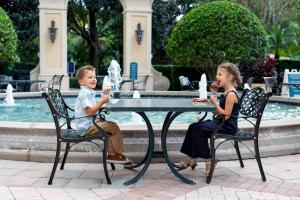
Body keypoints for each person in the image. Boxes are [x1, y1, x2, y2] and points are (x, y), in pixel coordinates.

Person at [178, 62, 242, 176]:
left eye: (220, 74)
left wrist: (215, 103)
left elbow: (226, 115)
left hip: (227, 127)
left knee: (199, 130)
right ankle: (191, 156)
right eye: (217, 74)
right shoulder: (226, 92)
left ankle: (209, 159)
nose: (217, 77)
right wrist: (206, 99)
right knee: (193, 126)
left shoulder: (231, 94)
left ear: (230, 77)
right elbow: (219, 110)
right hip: (221, 122)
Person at [75, 65, 132, 165]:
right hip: (85, 128)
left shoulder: (88, 92)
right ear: (81, 82)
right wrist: (102, 102)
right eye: (90, 77)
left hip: (89, 124)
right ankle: (118, 153)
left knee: (109, 125)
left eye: (94, 77)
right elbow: (90, 112)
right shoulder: (84, 94)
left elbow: (92, 109)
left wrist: (103, 104)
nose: (93, 79)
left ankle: (113, 155)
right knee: (113, 126)